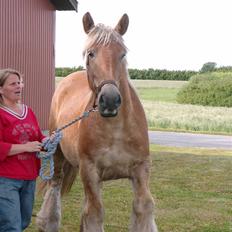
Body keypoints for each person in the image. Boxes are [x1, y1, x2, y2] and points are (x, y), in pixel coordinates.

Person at [0, 68, 46, 231]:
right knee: (11, 226)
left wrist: (48, 140)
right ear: (1, 89)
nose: (18, 86)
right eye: (13, 83)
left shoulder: (28, 111)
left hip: (29, 177)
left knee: (23, 223)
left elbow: (38, 136)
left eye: (19, 82)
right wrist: (25, 147)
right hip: (5, 180)